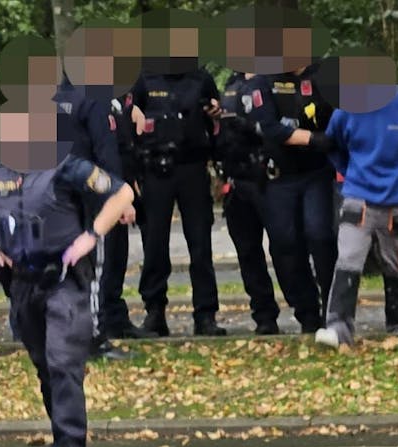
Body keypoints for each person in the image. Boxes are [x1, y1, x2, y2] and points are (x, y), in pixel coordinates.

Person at [0, 108, 135, 447]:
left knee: (62, 362)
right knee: (43, 364)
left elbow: (122, 193)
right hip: (22, 282)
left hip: (64, 280)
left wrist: (92, 236)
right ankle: (59, 439)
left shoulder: (68, 167)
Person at [314, 55, 398, 349]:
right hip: (358, 199)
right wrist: (353, 174)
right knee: (348, 260)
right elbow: (333, 145)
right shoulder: (346, 110)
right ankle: (338, 329)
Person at [127, 42, 225, 337]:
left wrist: (215, 113)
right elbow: (129, 124)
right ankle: (154, 311)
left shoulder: (200, 77)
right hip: (156, 171)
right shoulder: (144, 78)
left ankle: (205, 315)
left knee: (200, 243)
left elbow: (216, 119)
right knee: (155, 243)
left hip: (193, 168)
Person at [55, 72, 142, 358]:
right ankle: (94, 338)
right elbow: (105, 149)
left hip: (50, 195)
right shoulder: (94, 99)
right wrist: (119, 198)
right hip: (88, 193)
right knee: (93, 268)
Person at [246, 58, 337, 335]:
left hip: (316, 173)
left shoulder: (325, 77)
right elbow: (271, 129)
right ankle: (306, 313)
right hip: (279, 178)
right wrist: (313, 138)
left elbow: (340, 118)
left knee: (320, 236)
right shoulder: (263, 80)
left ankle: (333, 310)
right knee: (286, 245)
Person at [212, 71, 282, 334]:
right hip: (236, 179)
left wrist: (249, 126)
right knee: (248, 254)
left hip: (269, 178)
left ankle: (308, 312)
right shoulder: (230, 84)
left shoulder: (274, 81)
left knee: (285, 249)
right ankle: (264, 316)